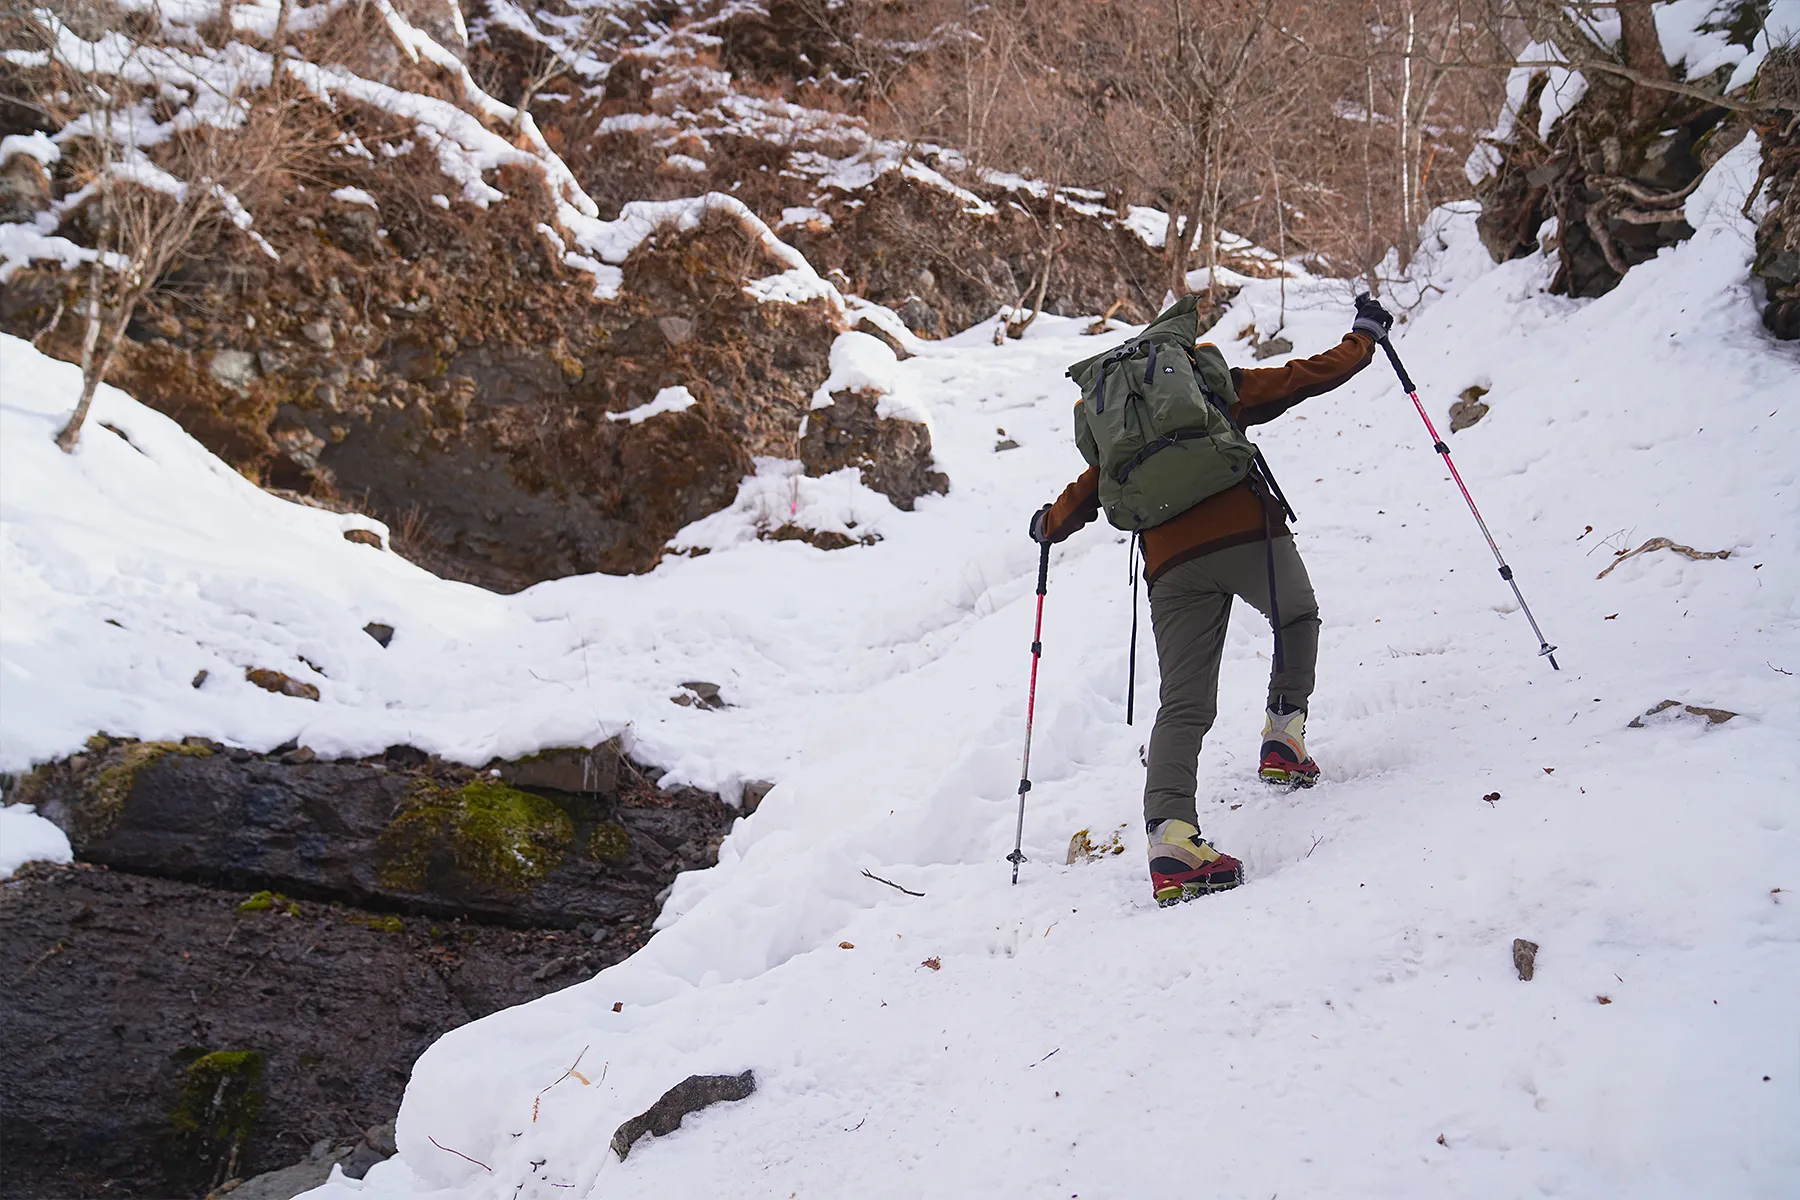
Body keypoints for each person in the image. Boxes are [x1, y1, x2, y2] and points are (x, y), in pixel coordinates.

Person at [1029, 295, 1393, 905]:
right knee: (1296, 616)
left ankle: (1172, 842)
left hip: (1169, 564)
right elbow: (1305, 376)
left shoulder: (1122, 422)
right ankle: (1284, 735)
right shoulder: (1209, 382)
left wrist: (1050, 522)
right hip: (1246, 533)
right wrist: (1364, 339)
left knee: (1184, 701)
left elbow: (1090, 488)